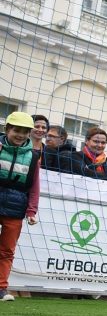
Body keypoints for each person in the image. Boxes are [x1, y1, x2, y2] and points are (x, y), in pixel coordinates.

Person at [0, 112, 41, 302]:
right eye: (17, 130)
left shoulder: (33, 157)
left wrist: (31, 211)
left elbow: (34, 186)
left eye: (25, 132)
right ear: (7, 129)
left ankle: (1, 288)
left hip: (16, 209)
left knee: (7, 251)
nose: (20, 135)